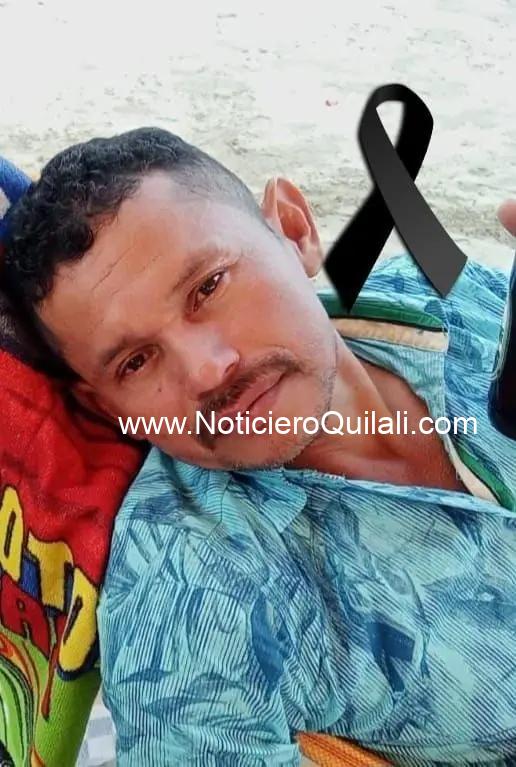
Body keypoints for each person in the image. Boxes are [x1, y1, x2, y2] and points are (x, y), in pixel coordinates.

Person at [2, 128, 516, 766]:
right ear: (108, 407)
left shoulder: (453, 302)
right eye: (135, 362)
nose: (206, 370)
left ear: (293, 231)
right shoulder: (194, 601)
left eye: (209, 286)